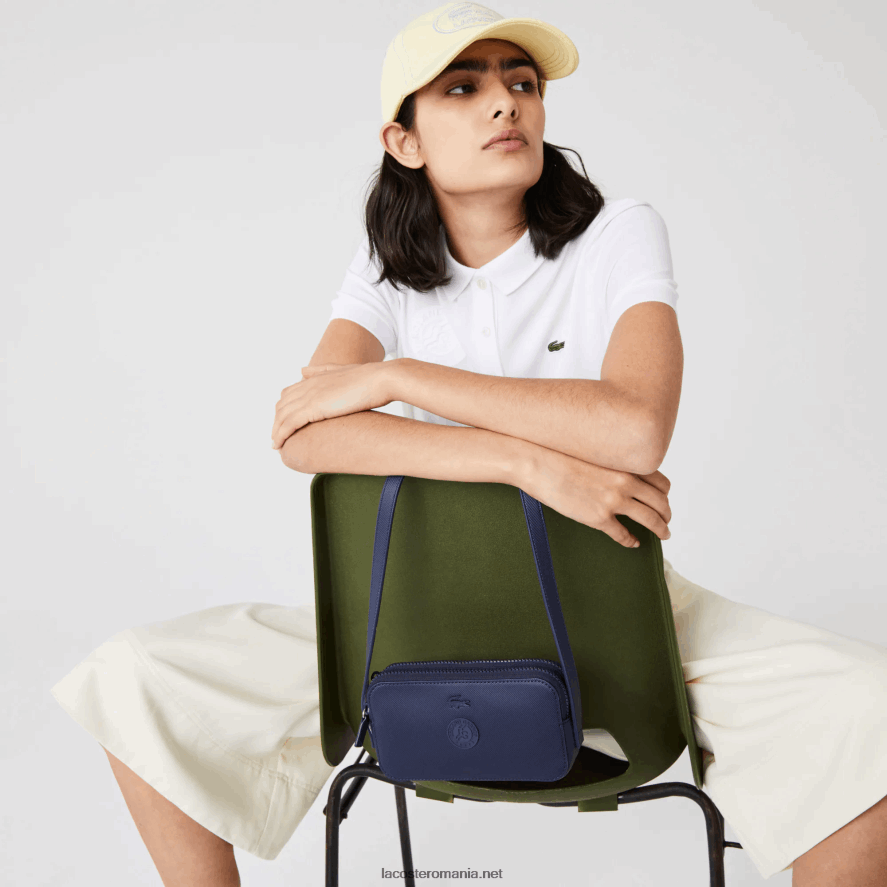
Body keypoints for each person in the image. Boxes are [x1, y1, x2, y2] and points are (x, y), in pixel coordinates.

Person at [50, 4, 887, 885]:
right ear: (403, 140)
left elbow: (636, 426)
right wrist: (526, 463)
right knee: (135, 677)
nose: (504, 102)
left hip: (622, 622)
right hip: (406, 628)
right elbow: (306, 434)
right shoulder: (384, 272)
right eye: (462, 87)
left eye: (521, 83)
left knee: (863, 707)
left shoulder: (617, 232)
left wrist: (402, 378)